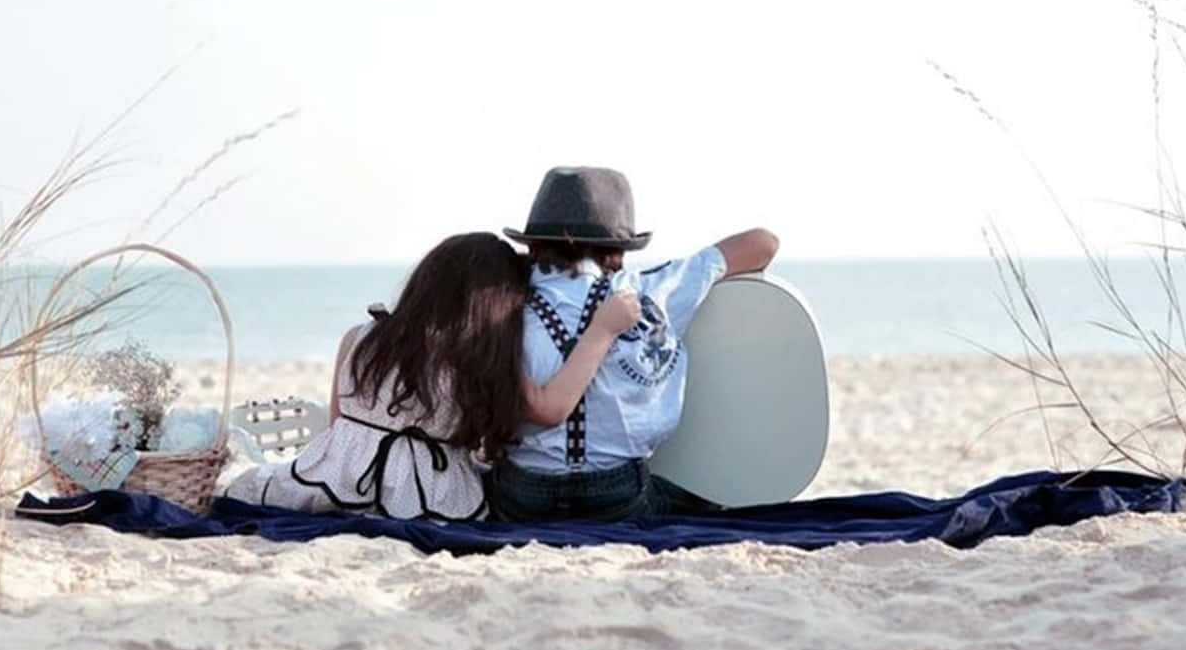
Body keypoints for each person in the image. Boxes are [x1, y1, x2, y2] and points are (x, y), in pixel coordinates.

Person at [224, 232, 640, 519]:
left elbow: (338, 425)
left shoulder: (360, 336)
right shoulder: (476, 358)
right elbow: (551, 408)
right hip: (431, 495)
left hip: (339, 478)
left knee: (246, 484)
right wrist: (601, 331)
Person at [486, 166, 779, 521]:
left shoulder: (499, 300)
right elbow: (764, 243)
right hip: (616, 493)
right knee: (697, 503)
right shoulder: (649, 290)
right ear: (620, 249)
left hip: (522, 493)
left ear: (532, 243)